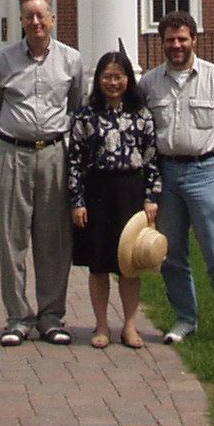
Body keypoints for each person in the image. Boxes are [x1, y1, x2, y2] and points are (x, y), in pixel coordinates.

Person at [137, 10, 214, 347]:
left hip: (205, 172)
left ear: (194, 40)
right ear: (162, 42)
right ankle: (185, 319)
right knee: (171, 255)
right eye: (170, 40)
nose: (176, 45)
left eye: (182, 39)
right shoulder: (150, 83)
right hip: (167, 176)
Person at [0, 0, 85, 347]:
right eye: (29, 16)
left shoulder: (71, 61)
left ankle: (52, 317)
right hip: (12, 154)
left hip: (55, 155)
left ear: (53, 19)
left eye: (41, 15)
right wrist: (14, 137)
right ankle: (17, 318)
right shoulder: (3, 61)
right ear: (21, 22)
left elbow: (76, 108)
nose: (35, 22)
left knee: (54, 240)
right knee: (12, 241)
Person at [68, 48, 161, 349]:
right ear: (98, 80)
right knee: (98, 264)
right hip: (97, 191)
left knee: (129, 265)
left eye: (118, 77)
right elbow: (75, 161)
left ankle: (130, 327)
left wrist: (151, 197)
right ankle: (102, 326)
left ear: (128, 79)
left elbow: (151, 160)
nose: (113, 82)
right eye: (107, 77)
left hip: (130, 193)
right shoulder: (86, 115)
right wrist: (77, 201)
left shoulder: (141, 115)